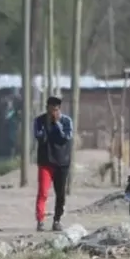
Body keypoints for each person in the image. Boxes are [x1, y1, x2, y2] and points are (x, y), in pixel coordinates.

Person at [33, 96, 73, 232]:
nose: (52, 113)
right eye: (50, 110)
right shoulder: (39, 121)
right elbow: (39, 138)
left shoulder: (66, 121)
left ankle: (57, 220)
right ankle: (40, 221)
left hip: (62, 162)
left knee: (60, 194)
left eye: (55, 110)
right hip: (46, 161)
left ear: (59, 109)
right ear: (47, 108)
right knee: (43, 192)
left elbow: (66, 138)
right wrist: (46, 125)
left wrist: (57, 125)